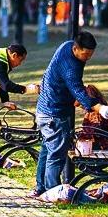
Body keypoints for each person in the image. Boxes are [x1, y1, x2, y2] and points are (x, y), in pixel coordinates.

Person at [34, 30, 98, 197]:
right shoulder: (70, 66)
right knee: (56, 153)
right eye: (86, 54)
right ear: (76, 49)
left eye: (91, 54)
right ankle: (52, 192)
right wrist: (97, 106)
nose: (88, 58)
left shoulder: (66, 46)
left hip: (44, 109)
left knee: (47, 150)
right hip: (54, 113)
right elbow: (76, 88)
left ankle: (41, 188)